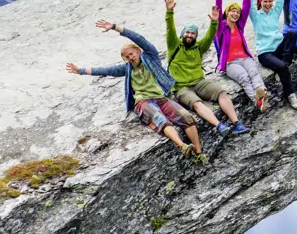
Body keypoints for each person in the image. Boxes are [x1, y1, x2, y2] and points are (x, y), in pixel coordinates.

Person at [66, 21, 207, 163]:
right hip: (143, 102)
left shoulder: (151, 56)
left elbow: (139, 38)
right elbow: (105, 70)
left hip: (161, 97)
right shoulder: (126, 68)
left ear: (138, 51)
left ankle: (199, 154)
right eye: (127, 57)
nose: (130, 58)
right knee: (160, 119)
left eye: (132, 54)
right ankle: (182, 146)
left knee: (186, 117)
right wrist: (81, 71)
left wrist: (115, 27)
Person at [165, 0, 250, 137]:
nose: (190, 35)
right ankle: (219, 126)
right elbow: (170, 28)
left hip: (199, 82)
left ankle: (237, 123)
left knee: (221, 93)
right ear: (182, 34)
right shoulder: (174, 45)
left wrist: (214, 22)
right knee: (197, 103)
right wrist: (169, 12)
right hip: (181, 87)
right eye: (187, 32)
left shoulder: (199, 47)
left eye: (193, 33)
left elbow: (211, 36)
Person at [250, 0, 297, 110]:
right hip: (265, 53)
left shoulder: (274, 12)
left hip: (278, 50)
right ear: (260, 2)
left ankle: (284, 64)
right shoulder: (256, 16)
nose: (268, 4)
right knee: (283, 68)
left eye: (269, 1)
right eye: (264, 1)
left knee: (291, 34)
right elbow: (248, 4)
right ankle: (290, 95)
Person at [213, 0, 269, 113]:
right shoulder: (221, 27)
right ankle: (257, 101)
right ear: (227, 12)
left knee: (254, 72)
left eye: (237, 12)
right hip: (230, 63)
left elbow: (246, 6)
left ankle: (261, 94)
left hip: (244, 57)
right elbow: (218, 13)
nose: (236, 14)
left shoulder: (240, 25)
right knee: (244, 78)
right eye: (232, 11)